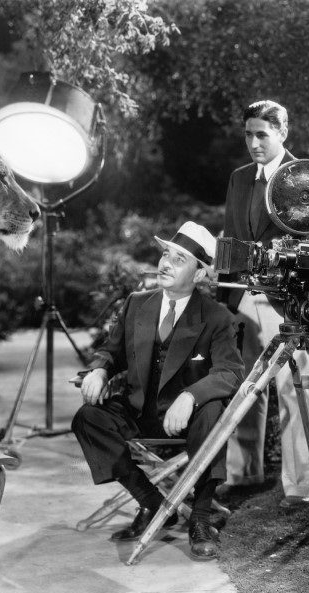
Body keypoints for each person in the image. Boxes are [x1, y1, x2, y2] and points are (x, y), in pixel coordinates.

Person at [72, 221, 244, 560]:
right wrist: (99, 369)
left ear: (198, 275)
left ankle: (200, 517)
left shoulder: (217, 317)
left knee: (212, 412)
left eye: (179, 259)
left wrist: (190, 395)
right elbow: (112, 350)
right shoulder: (138, 304)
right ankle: (152, 503)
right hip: (139, 410)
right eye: (166, 253)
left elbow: (231, 372)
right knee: (88, 418)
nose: (165, 263)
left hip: (188, 419)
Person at [220, 99, 309, 507]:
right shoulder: (239, 178)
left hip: (290, 304)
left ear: (283, 133)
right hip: (245, 298)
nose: (254, 142)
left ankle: (302, 485)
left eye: (262, 134)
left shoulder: (307, 180)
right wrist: (225, 302)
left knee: (295, 389)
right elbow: (230, 238)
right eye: (248, 134)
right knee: (245, 388)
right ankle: (244, 474)